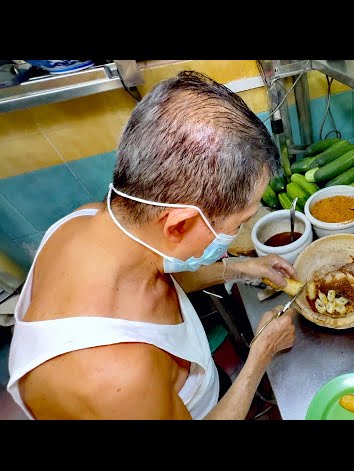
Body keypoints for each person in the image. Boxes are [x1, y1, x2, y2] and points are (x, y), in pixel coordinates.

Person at [6, 71, 297, 420]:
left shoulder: (97, 221)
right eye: (238, 224)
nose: (239, 232)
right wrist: (260, 353)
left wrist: (246, 267)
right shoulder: (118, 379)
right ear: (179, 225)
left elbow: (161, 273)